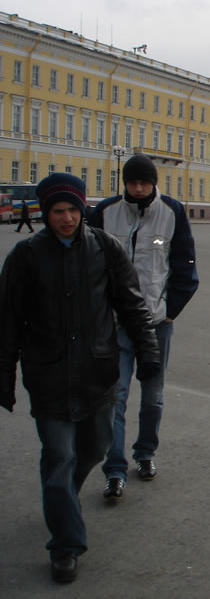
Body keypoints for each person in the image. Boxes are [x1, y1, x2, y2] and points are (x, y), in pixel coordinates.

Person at [0, 173, 159, 583]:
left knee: (94, 449)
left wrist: (149, 353)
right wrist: (5, 375)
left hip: (97, 373)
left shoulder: (105, 248)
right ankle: (65, 545)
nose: (67, 218)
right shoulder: (25, 256)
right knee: (59, 458)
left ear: (82, 209)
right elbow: (7, 322)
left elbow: (132, 305)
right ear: (46, 212)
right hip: (48, 375)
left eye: (73, 210)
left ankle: (61, 497)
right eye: (58, 211)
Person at [87, 154, 198, 501]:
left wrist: (169, 312)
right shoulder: (105, 212)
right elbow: (88, 266)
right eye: (132, 182)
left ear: (153, 183)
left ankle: (145, 453)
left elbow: (186, 264)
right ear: (124, 183)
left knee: (153, 397)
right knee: (114, 398)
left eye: (144, 183)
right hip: (115, 324)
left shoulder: (172, 212)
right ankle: (114, 470)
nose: (138, 189)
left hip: (155, 324)